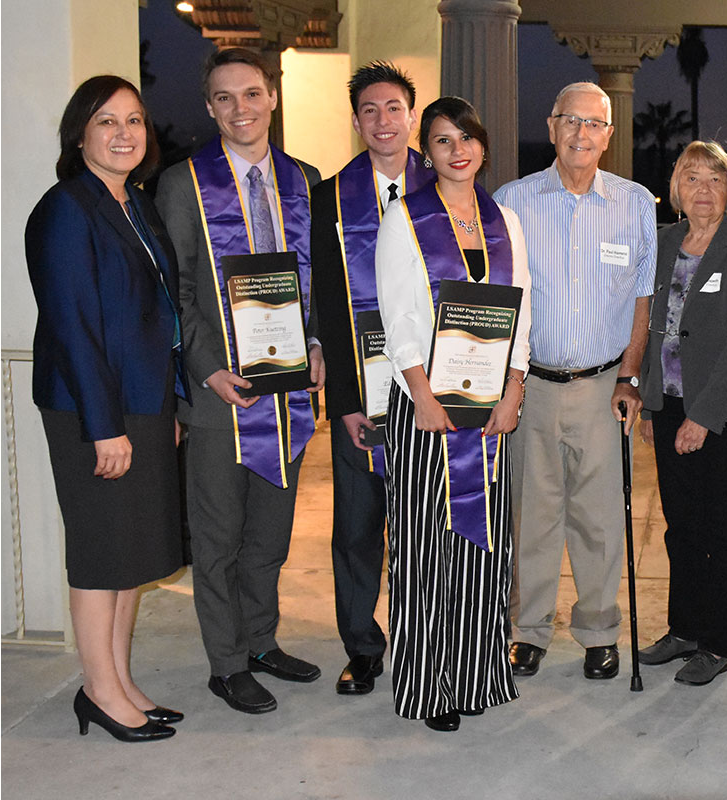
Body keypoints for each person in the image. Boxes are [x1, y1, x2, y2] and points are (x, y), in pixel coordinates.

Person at [156, 47, 326, 714]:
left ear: (272, 98)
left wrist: (314, 345)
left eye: (251, 94)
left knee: (270, 536)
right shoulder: (182, 183)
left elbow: (314, 282)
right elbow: (181, 290)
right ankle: (226, 663)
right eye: (225, 98)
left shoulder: (304, 179)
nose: (240, 109)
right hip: (218, 394)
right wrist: (206, 368)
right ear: (208, 107)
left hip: (284, 393)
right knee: (220, 536)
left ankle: (260, 640)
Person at [24, 76, 186, 742]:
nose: (124, 134)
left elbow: (160, 314)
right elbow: (72, 327)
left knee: (131, 556)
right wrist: (104, 428)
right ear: (80, 134)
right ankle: (98, 690)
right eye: (106, 122)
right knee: (100, 555)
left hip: (143, 403)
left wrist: (169, 402)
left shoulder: (136, 204)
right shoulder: (65, 208)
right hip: (93, 412)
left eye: (134, 121)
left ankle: (118, 682)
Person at [374, 95, 532, 733]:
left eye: (466, 138)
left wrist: (515, 388)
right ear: (428, 152)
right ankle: (427, 683)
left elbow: (522, 311)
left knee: (483, 551)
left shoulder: (507, 222)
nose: (457, 150)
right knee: (422, 549)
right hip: (426, 409)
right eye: (442, 141)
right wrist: (425, 397)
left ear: (482, 147)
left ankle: (473, 674)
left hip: (490, 408)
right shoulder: (404, 219)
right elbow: (396, 318)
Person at [495, 82, 656, 680]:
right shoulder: (512, 200)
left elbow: (642, 299)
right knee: (532, 514)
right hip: (531, 385)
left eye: (594, 124)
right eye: (570, 121)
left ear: (609, 136)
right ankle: (529, 630)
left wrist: (631, 376)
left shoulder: (635, 203)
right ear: (552, 124)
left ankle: (597, 632)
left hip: (602, 386)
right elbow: (502, 297)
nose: (582, 134)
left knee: (599, 518)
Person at [310, 61, 430, 696]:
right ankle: (362, 644)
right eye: (370, 111)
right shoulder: (330, 195)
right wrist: (348, 402)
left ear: (412, 115)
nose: (383, 121)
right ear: (356, 121)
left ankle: (420, 642)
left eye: (394, 109)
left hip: (428, 390)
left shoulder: (445, 185)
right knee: (357, 526)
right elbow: (329, 301)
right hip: (363, 386)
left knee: (419, 526)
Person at [633, 141, 727, 687]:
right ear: (676, 190)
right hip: (668, 406)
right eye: (691, 178)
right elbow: (647, 319)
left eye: (714, 178)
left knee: (722, 529)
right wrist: (646, 396)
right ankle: (683, 628)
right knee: (680, 525)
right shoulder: (663, 242)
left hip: (722, 416)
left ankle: (716, 642)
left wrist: (703, 416)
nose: (703, 189)